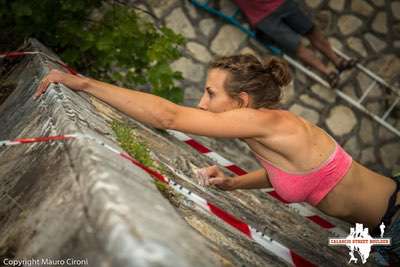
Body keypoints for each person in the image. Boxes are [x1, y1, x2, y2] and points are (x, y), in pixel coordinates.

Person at [34, 54, 398, 264]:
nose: (202, 103)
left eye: (210, 93)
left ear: (241, 101)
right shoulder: (265, 130)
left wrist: (83, 84)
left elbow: (169, 117)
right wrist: (234, 182)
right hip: (377, 237)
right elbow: (296, 176)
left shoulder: (270, 123)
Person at [232, 0, 358, 87]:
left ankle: (339, 62)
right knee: (296, 45)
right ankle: (328, 73)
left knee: (311, 31)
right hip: (261, 17)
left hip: (280, 3)